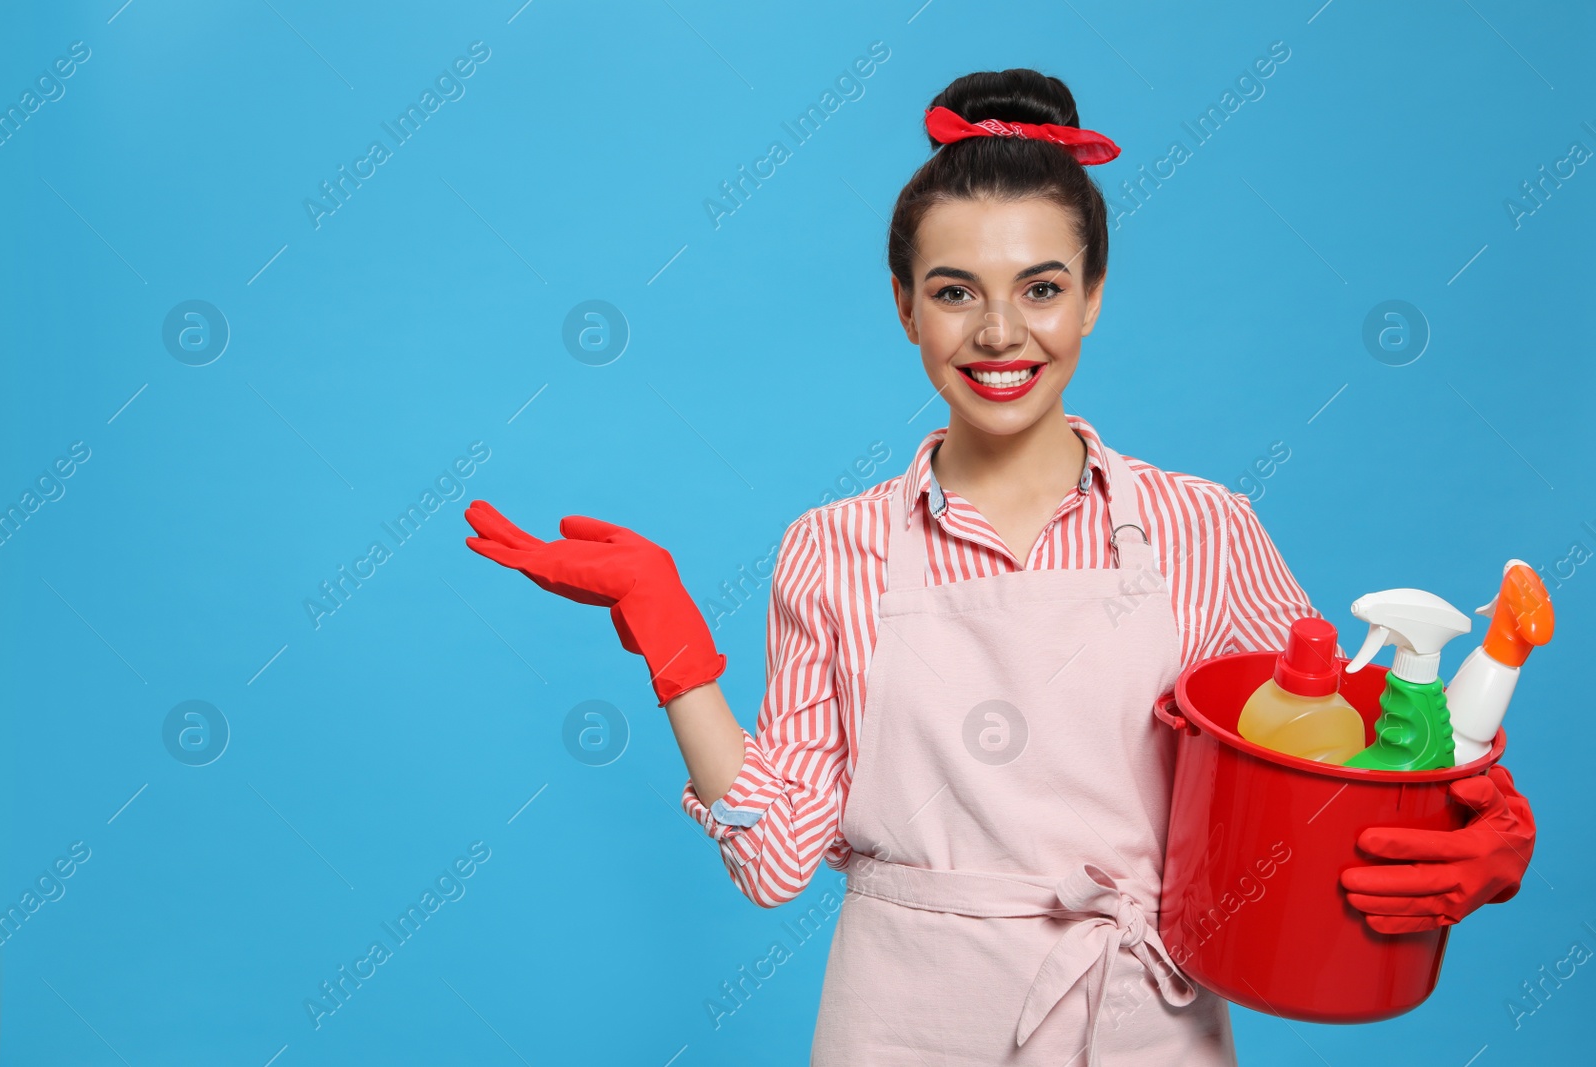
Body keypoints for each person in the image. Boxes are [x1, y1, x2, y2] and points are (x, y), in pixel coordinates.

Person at [464, 68, 1536, 1067]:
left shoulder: (1202, 528)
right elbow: (774, 860)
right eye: (953, 291)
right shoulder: (833, 546)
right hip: (903, 1022)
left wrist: (1476, 815)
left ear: (1093, 295)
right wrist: (677, 650)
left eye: (1039, 287)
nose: (998, 332)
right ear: (903, 306)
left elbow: (1325, 769)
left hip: (1135, 1016)